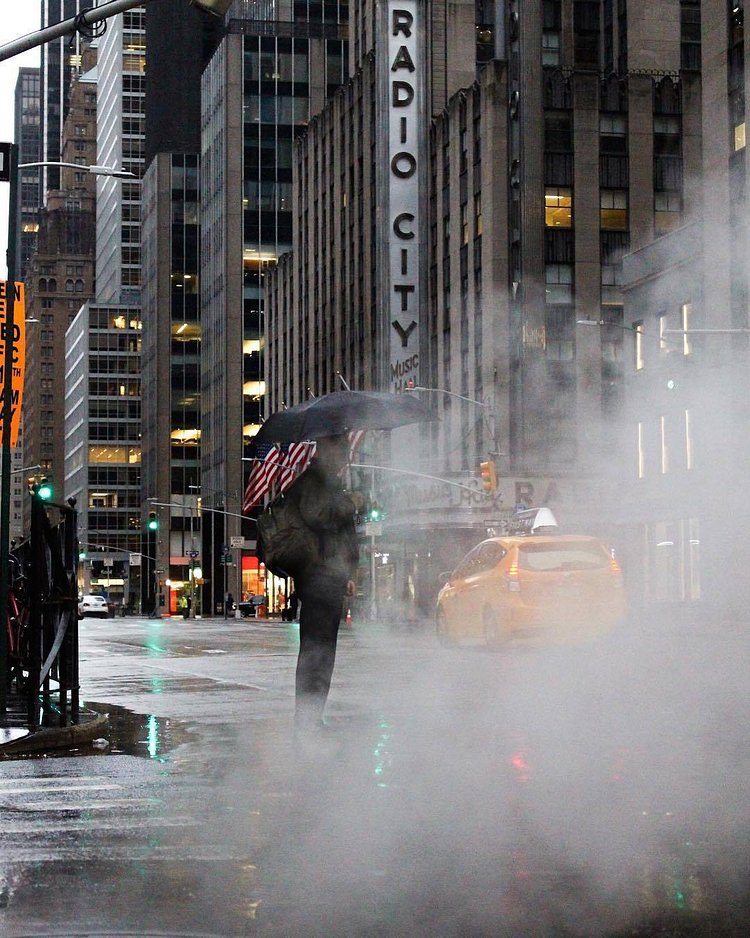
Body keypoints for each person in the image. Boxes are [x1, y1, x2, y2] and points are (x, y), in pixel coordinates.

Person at [283, 434, 358, 730]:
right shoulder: (313, 482)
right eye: (341, 451)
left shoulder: (327, 483)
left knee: (323, 651)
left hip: (329, 576)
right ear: (326, 450)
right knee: (317, 651)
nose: (344, 457)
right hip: (318, 578)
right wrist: (349, 504)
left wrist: (348, 572)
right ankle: (308, 718)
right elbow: (317, 516)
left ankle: (312, 715)